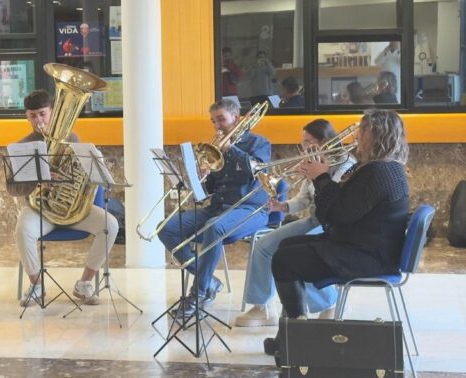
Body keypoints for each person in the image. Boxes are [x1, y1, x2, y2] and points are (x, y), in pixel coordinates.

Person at [264, 109, 409, 357]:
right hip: (364, 244)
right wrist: (322, 176)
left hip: (367, 256)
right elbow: (342, 206)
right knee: (287, 246)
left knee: (284, 260)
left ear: (375, 136)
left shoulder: (378, 172)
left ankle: (297, 342)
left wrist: (321, 178)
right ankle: (289, 334)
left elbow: (337, 214)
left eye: (362, 131)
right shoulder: (383, 168)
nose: (356, 136)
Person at [235, 119, 355, 327]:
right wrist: (281, 206)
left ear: (324, 140)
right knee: (263, 246)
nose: (304, 147)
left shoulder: (345, 164)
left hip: (333, 223)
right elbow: (304, 200)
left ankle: (329, 304)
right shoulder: (314, 159)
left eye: (308, 142)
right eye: (303, 142)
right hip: (314, 219)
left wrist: (318, 176)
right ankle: (261, 307)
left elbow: (334, 201)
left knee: (300, 252)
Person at [158, 98, 271, 318]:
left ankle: (199, 293)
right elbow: (210, 190)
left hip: (250, 209)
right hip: (218, 208)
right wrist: (202, 175)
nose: (217, 126)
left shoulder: (259, 143)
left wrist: (233, 150)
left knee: (213, 227)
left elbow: (255, 170)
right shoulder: (214, 148)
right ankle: (209, 280)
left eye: (221, 119)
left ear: (236, 118)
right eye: (213, 121)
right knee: (167, 228)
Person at [9, 89, 119, 306]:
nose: (38, 120)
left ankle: (84, 284)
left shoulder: (71, 138)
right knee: (23, 231)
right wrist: (39, 180)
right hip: (41, 209)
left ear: (52, 112)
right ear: (27, 116)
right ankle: (36, 285)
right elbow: (13, 189)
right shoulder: (22, 146)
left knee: (111, 224)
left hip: (72, 209)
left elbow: (84, 176)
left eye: (42, 114)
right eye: (33, 116)